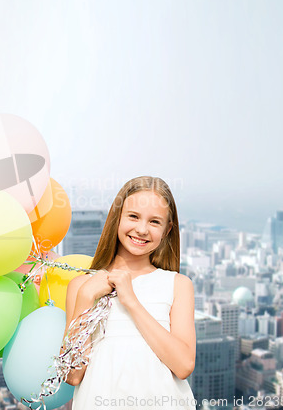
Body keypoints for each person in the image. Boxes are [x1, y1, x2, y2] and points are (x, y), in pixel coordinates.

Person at [63, 176, 197, 410]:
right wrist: (85, 298)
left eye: (155, 222)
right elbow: (73, 376)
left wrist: (131, 301)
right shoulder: (82, 286)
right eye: (133, 216)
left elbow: (184, 365)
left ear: (167, 230)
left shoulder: (178, 285)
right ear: (117, 218)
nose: (142, 229)